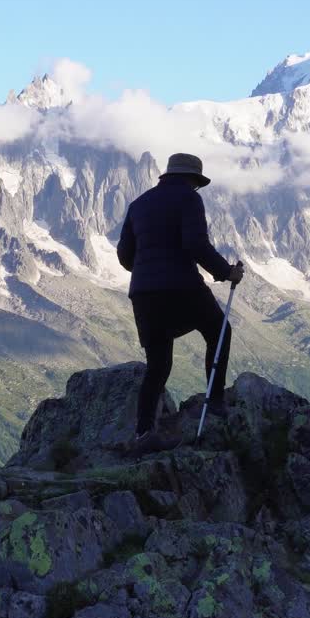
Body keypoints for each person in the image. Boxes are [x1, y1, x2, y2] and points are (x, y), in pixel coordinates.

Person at [116, 153, 244, 448]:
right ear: (193, 180)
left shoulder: (138, 204)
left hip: (144, 294)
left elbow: (125, 256)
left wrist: (149, 268)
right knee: (218, 330)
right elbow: (196, 244)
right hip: (182, 286)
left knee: (157, 364)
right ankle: (214, 400)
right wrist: (227, 273)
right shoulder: (189, 199)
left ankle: (144, 432)